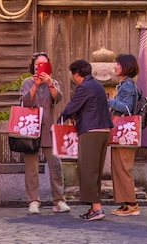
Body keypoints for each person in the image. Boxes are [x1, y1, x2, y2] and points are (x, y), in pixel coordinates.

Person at [60, 58, 113, 221]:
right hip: (103, 130)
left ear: (77, 74)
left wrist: (61, 118)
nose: (73, 78)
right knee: (95, 171)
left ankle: (97, 208)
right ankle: (93, 208)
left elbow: (72, 107)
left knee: (87, 170)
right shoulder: (97, 85)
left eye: (72, 74)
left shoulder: (84, 87)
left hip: (91, 131)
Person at [19, 52, 71, 215]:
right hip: (31, 129)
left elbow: (58, 99)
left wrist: (48, 84)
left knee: (55, 165)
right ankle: (33, 201)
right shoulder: (27, 82)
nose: (39, 67)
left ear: (48, 66)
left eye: (43, 64)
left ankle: (59, 200)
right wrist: (35, 85)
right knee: (31, 167)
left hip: (49, 128)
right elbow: (24, 102)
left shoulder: (53, 82)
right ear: (33, 66)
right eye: (37, 64)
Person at [106, 53, 141, 216]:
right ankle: (125, 203)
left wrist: (108, 101)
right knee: (119, 168)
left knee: (123, 168)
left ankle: (132, 204)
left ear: (126, 66)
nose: (115, 66)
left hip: (125, 132)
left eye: (118, 64)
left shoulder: (127, 85)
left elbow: (127, 109)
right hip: (121, 133)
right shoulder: (125, 84)